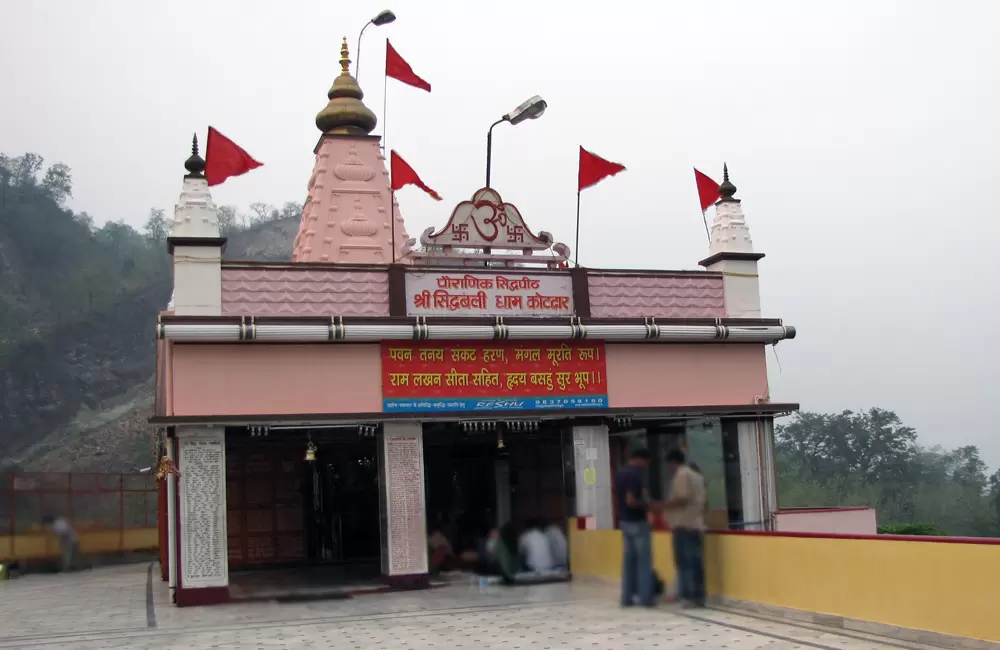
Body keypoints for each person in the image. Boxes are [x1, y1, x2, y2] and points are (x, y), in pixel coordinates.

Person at [662, 449, 707, 607]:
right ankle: (699, 596)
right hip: (696, 524)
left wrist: (663, 506)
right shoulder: (697, 476)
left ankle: (688, 596)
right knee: (696, 562)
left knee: (684, 563)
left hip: (683, 524)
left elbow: (682, 498)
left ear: (673, 463)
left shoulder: (682, 474)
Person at [615, 446, 655, 607]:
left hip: (624, 522)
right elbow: (630, 500)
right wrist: (647, 504)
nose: (646, 465)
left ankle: (626, 598)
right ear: (640, 459)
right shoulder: (634, 475)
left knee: (628, 562)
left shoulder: (620, 473)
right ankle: (646, 599)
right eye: (646, 462)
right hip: (638, 522)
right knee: (644, 562)